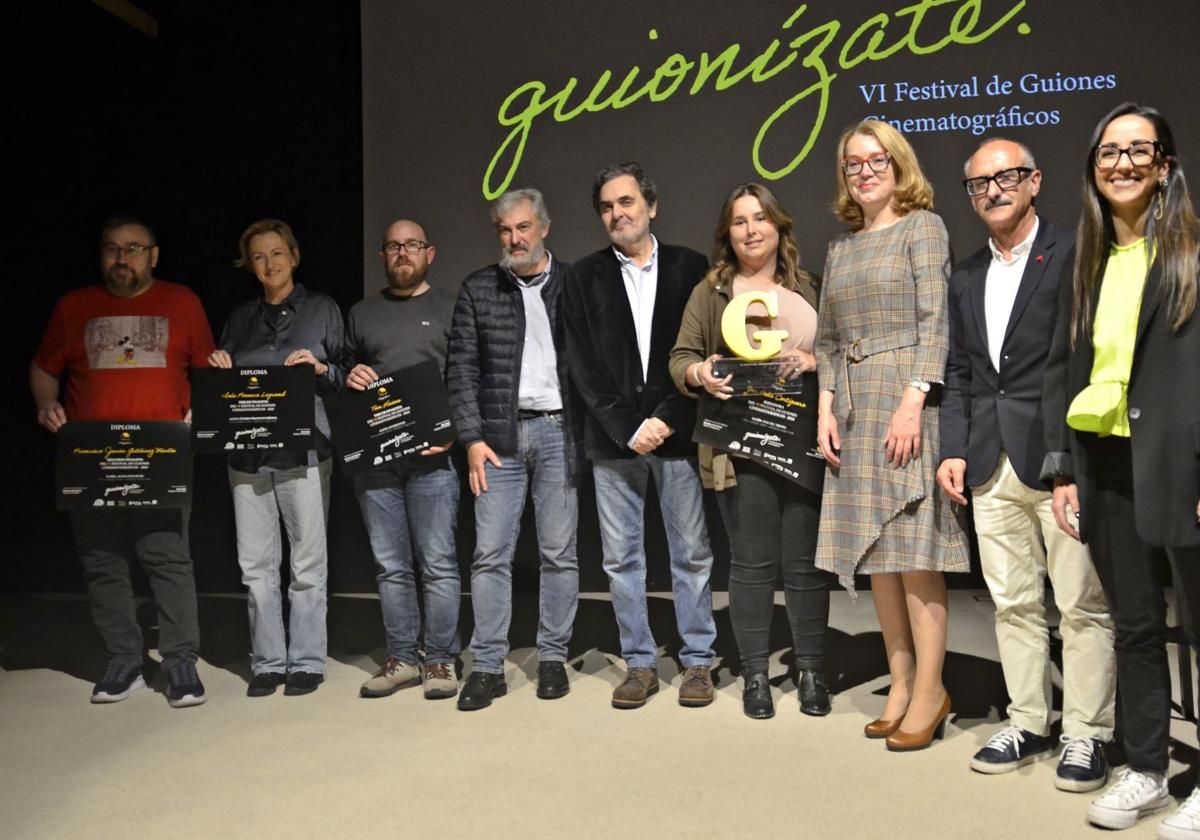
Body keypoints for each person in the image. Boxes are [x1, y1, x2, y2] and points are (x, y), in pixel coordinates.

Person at [1040, 103, 1200, 836]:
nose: (1123, 162)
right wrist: (1063, 468)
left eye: (1140, 150)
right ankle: (1145, 769)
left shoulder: (1192, 250)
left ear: (1165, 164)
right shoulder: (1086, 258)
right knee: (1134, 623)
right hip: (1102, 459)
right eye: (1109, 151)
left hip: (1180, 463)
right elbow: (1062, 367)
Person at [938, 139, 1116, 787]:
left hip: (1061, 461)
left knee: (1081, 604)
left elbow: (1087, 362)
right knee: (1012, 603)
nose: (993, 190)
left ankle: (1088, 733)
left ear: (1034, 181)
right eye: (979, 183)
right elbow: (959, 373)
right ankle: (1028, 719)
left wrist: (1070, 457)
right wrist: (953, 447)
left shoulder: (1073, 254)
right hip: (988, 460)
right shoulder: (965, 275)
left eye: (1006, 177)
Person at [815, 121, 969, 750]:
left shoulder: (923, 228)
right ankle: (900, 684)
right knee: (878, 559)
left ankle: (932, 690)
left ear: (899, 164)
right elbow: (826, 338)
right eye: (854, 164)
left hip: (905, 405)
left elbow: (936, 319)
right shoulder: (839, 249)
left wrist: (914, 401)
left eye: (877, 160)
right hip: (853, 409)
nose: (865, 171)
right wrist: (825, 405)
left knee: (913, 556)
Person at [31, 215, 215, 707]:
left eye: (133, 249)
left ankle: (179, 661)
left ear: (153, 255)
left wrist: (197, 414)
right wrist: (45, 403)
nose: (122, 258)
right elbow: (44, 367)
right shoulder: (74, 306)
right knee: (103, 562)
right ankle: (124, 660)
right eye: (112, 249)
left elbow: (206, 371)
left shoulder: (182, 302)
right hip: (91, 461)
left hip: (161, 458)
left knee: (169, 558)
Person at [669, 183, 833, 719]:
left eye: (760, 218)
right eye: (739, 221)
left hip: (800, 443)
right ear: (728, 233)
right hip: (738, 448)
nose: (751, 230)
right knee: (752, 564)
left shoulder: (808, 286)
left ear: (779, 226)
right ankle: (756, 675)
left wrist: (816, 363)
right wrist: (699, 375)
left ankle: (810, 669)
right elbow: (681, 358)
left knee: (805, 565)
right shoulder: (710, 292)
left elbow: (835, 351)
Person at [564, 162, 718, 710]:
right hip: (614, 442)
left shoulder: (691, 267)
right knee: (621, 558)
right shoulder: (581, 277)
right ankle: (640, 662)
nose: (616, 214)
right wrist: (628, 427)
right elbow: (581, 365)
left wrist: (665, 418)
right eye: (606, 207)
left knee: (692, 553)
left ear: (651, 206)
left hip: (675, 435)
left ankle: (698, 661)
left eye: (626, 203)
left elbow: (699, 352)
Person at [446, 188, 582, 710]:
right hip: (498, 441)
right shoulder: (480, 287)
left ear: (544, 228)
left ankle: (551, 658)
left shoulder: (574, 282)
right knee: (489, 556)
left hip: (557, 431)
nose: (514, 239)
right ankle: (487, 666)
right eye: (505, 230)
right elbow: (460, 369)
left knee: (558, 552)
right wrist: (472, 439)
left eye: (523, 227)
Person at [207, 219, 344, 697]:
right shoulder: (240, 318)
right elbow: (225, 389)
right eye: (259, 257)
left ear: (294, 255)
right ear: (250, 265)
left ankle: (306, 659)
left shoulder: (322, 309)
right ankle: (268, 661)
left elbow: (345, 373)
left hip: (305, 451)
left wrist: (323, 367)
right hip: (247, 457)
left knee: (307, 562)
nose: (269, 264)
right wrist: (218, 365)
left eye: (277, 253)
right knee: (255, 566)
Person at [345, 219, 462, 701]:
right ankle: (402, 658)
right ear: (383, 256)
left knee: (437, 562)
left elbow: (465, 378)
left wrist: (453, 433)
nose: (402, 254)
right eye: (393, 246)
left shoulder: (450, 307)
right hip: (377, 461)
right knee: (390, 566)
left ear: (429, 253)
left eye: (411, 245)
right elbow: (345, 374)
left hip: (434, 459)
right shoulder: (362, 313)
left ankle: (439, 659)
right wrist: (349, 374)